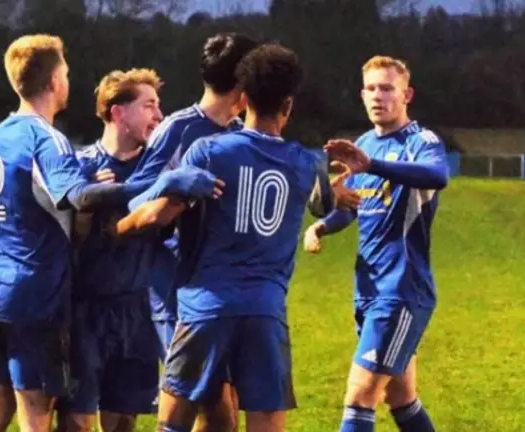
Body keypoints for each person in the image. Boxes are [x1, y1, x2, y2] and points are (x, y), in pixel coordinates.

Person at [0, 33, 222, 432]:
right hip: (44, 301)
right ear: (54, 81)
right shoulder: (54, 144)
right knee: (43, 416)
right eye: (149, 104)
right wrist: (156, 189)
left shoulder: (0, 133)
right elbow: (80, 200)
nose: (159, 114)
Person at [118, 43, 360, 432]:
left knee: (174, 424)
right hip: (265, 311)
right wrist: (339, 194)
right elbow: (324, 201)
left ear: (243, 97)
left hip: (204, 308)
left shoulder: (209, 152)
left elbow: (153, 218)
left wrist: (138, 211)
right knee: (263, 420)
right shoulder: (305, 163)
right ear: (289, 106)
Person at [303, 55, 448, 432]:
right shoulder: (364, 144)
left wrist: (372, 166)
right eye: (370, 88)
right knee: (401, 398)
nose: (377, 96)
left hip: (401, 290)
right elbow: (353, 208)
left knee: (359, 395)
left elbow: (437, 175)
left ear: (407, 94)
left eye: (387, 88)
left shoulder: (421, 141)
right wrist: (320, 227)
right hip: (367, 287)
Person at [123, 32, 260, 431]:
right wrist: (174, 183)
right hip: (176, 286)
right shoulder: (178, 130)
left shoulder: (244, 132)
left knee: (222, 410)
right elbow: (135, 202)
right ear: (243, 79)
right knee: (210, 404)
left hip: (226, 288)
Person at [56, 68, 165, 432]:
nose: (158, 116)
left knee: (123, 423)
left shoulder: (157, 168)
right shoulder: (80, 167)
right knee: (77, 423)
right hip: (86, 313)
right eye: (149, 105)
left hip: (137, 310)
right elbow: (59, 241)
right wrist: (87, 202)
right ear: (118, 112)